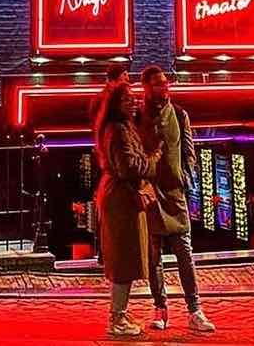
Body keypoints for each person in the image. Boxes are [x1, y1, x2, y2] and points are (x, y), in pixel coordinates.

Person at [138, 66, 215, 333]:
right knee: (154, 256)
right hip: (151, 194)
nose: (164, 87)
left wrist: (185, 174)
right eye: (157, 84)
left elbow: (189, 150)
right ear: (146, 87)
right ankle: (160, 308)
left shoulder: (180, 114)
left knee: (185, 254)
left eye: (165, 82)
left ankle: (195, 310)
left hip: (175, 194)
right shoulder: (138, 117)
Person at [94, 79, 161, 338]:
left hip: (120, 197)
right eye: (126, 99)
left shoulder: (116, 128)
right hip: (123, 200)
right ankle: (117, 318)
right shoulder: (119, 130)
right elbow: (129, 166)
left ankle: (120, 312)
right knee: (124, 258)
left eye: (132, 98)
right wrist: (152, 160)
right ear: (116, 105)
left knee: (125, 257)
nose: (133, 102)